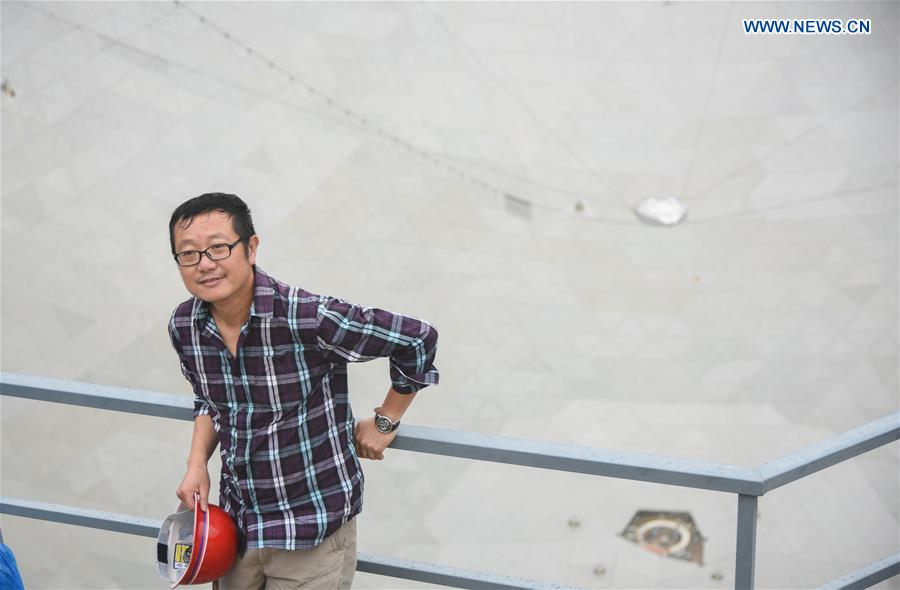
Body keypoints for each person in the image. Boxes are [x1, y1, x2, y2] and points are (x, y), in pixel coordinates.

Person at [166, 192, 439, 589]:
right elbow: (208, 399)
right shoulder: (185, 325)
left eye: (219, 248)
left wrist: (386, 419)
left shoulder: (308, 317)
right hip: (237, 524)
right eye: (188, 254)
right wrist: (196, 465)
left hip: (310, 526)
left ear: (251, 248)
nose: (205, 264)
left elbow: (416, 339)